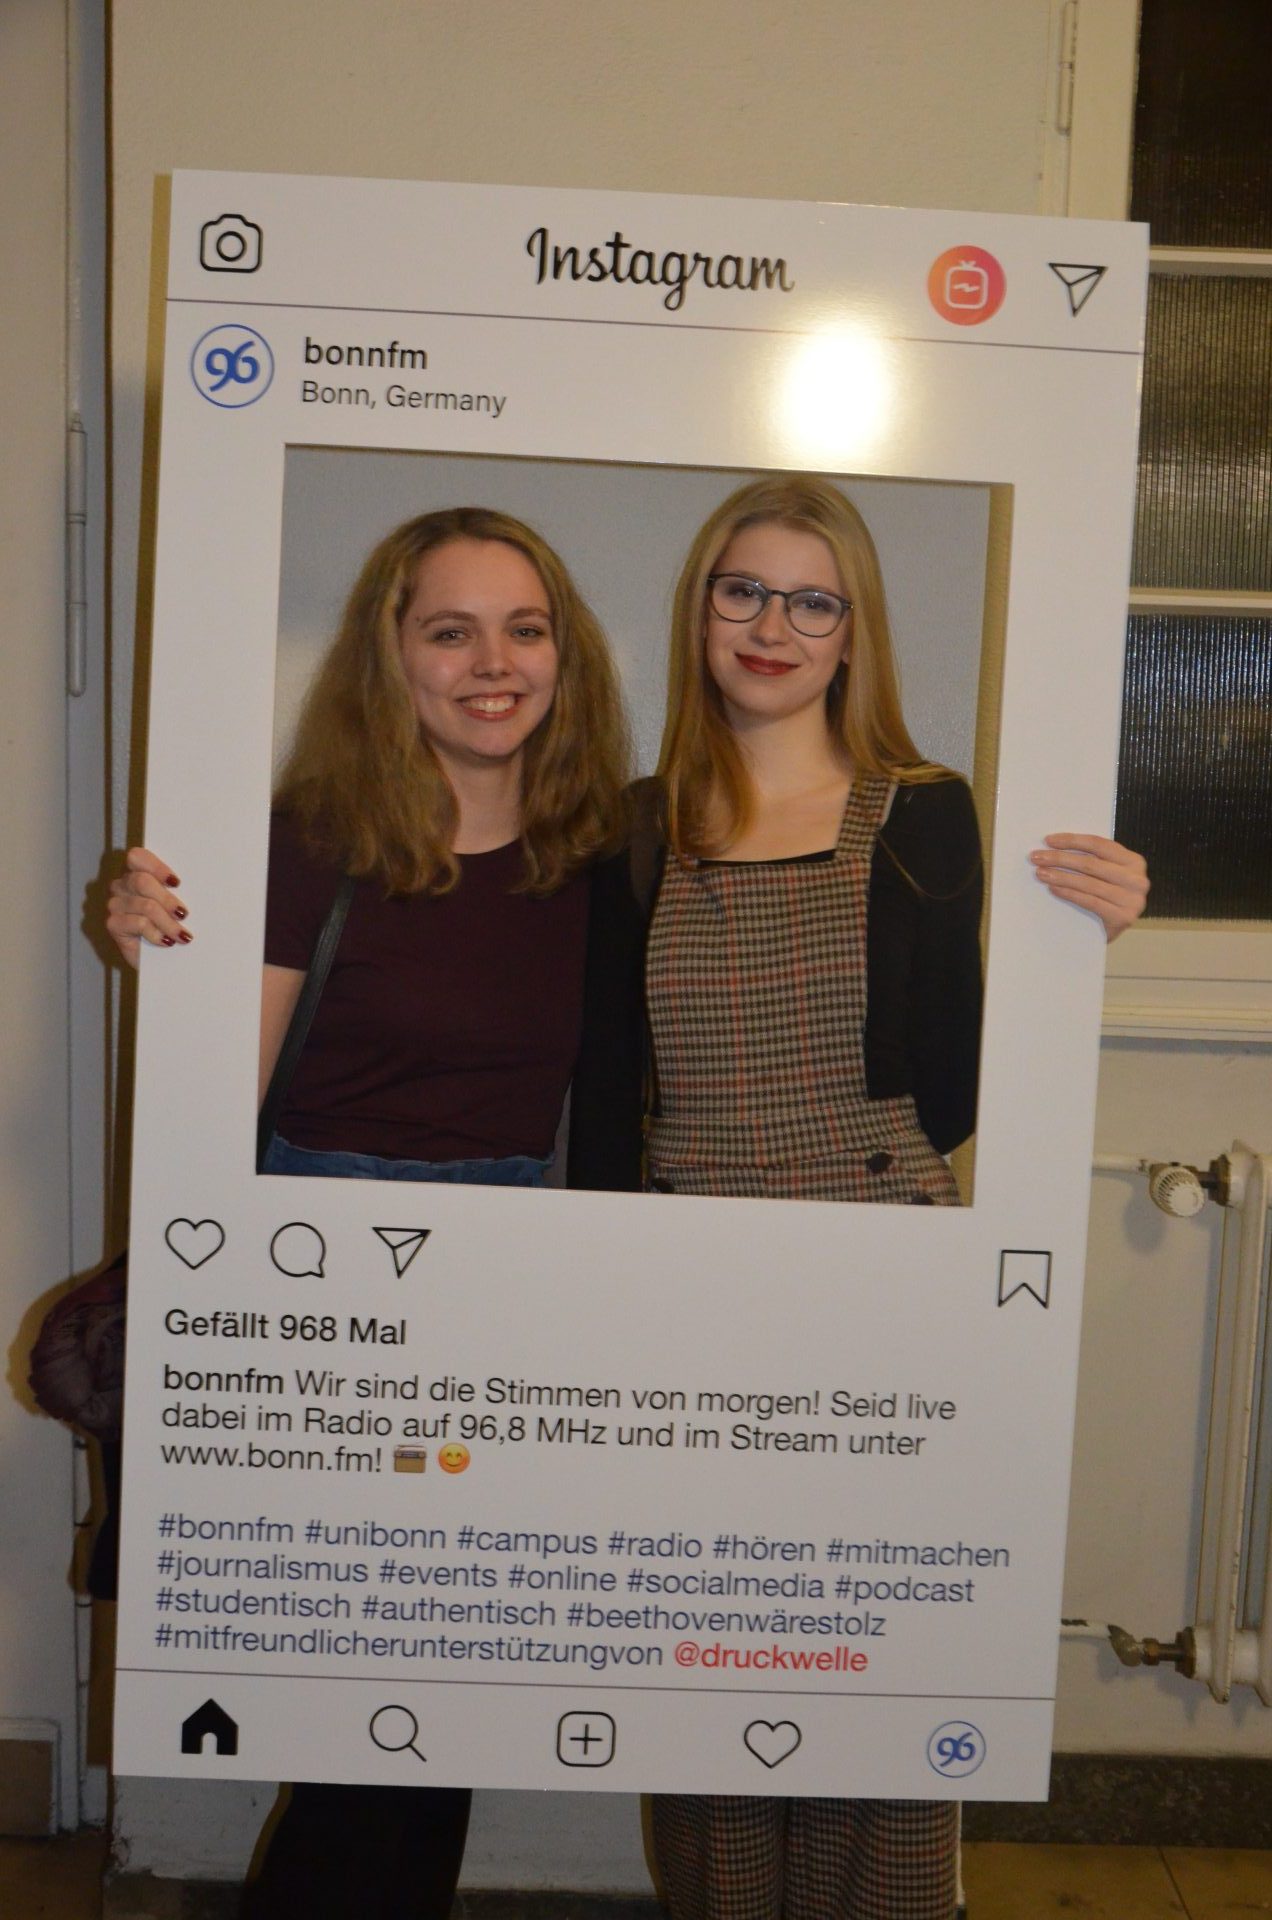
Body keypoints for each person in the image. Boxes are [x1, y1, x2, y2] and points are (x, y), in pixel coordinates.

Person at [567, 473, 1149, 1920]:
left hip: (889, 1280)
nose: (773, 627)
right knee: (712, 1668)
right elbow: (603, 1080)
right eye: (743, 591)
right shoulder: (633, 826)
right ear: (701, 610)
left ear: (854, 631)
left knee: (881, 1660)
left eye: (811, 602)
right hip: (686, 1286)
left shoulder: (926, 815)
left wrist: (1092, 933)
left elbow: (961, 1077)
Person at [107, 505, 630, 1920]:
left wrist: (1079, 911)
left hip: (513, 1294)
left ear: (567, 654)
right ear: (390, 657)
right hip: (322, 1294)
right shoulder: (309, 845)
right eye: (450, 631)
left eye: (525, 629)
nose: (493, 664)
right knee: (365, 1730)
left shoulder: (605, 856)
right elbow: (215, 1117)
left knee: (436, 1719)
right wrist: (155, 946)